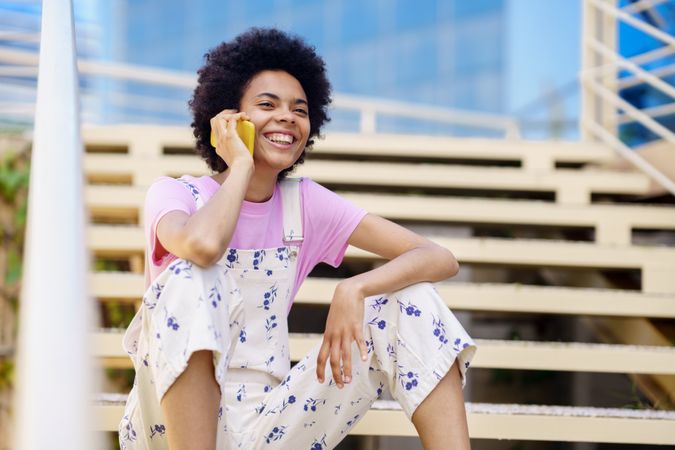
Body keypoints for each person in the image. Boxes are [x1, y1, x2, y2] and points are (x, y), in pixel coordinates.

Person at [118, 27, 476, 450]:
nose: (287, 116)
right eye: (267, 105)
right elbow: (203, 246)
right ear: (227, 119)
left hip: (268, 424)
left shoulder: (302, 204)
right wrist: (241, 168)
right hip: (168, 427)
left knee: (410, 301)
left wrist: (356, 287)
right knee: (194, 274)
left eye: (299, 109)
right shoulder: (176, 194)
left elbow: (437, 257)